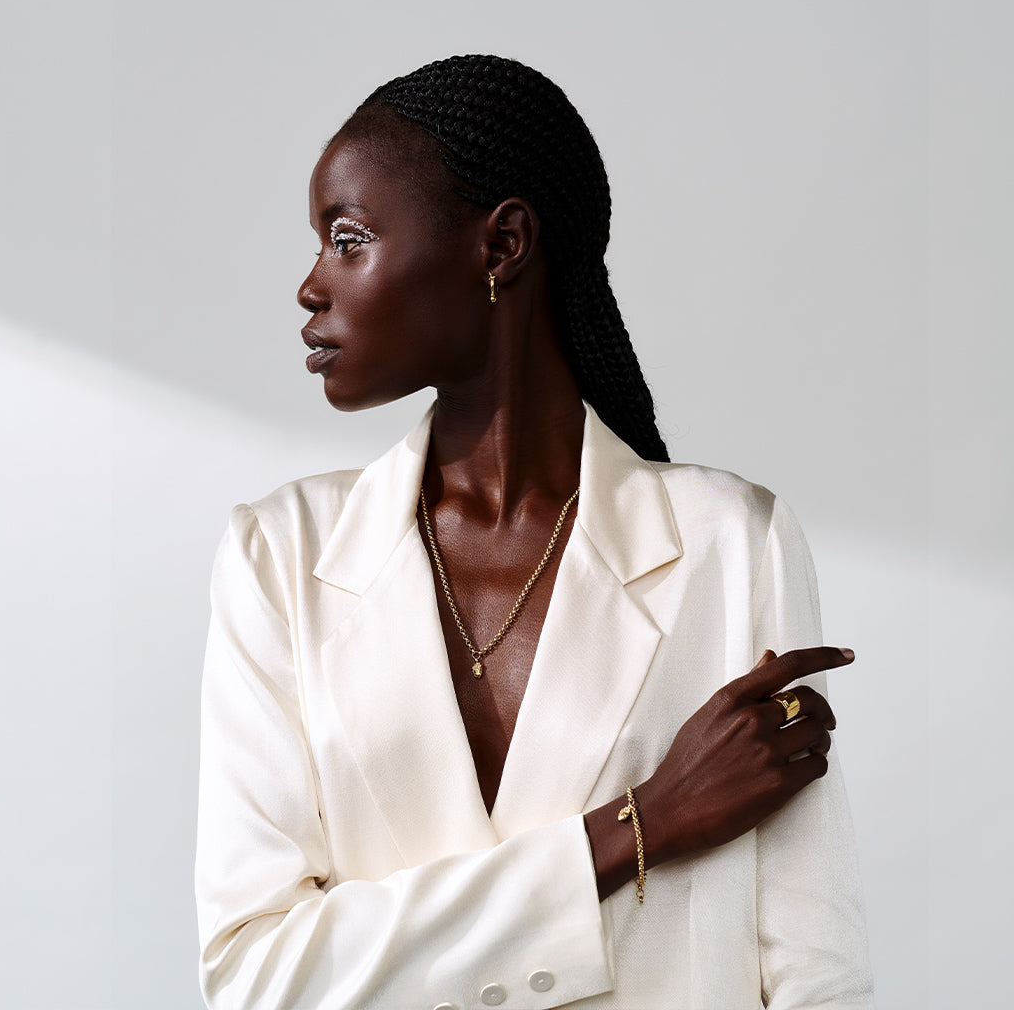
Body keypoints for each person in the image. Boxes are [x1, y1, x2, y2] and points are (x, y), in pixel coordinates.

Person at [195, 55, 873, 1009]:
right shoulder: (281, 556)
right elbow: (255, 976)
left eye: (348, 240)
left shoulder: (729, 542)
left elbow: (815, 974)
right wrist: (642, 825)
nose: (311, 286)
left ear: (502, 244)